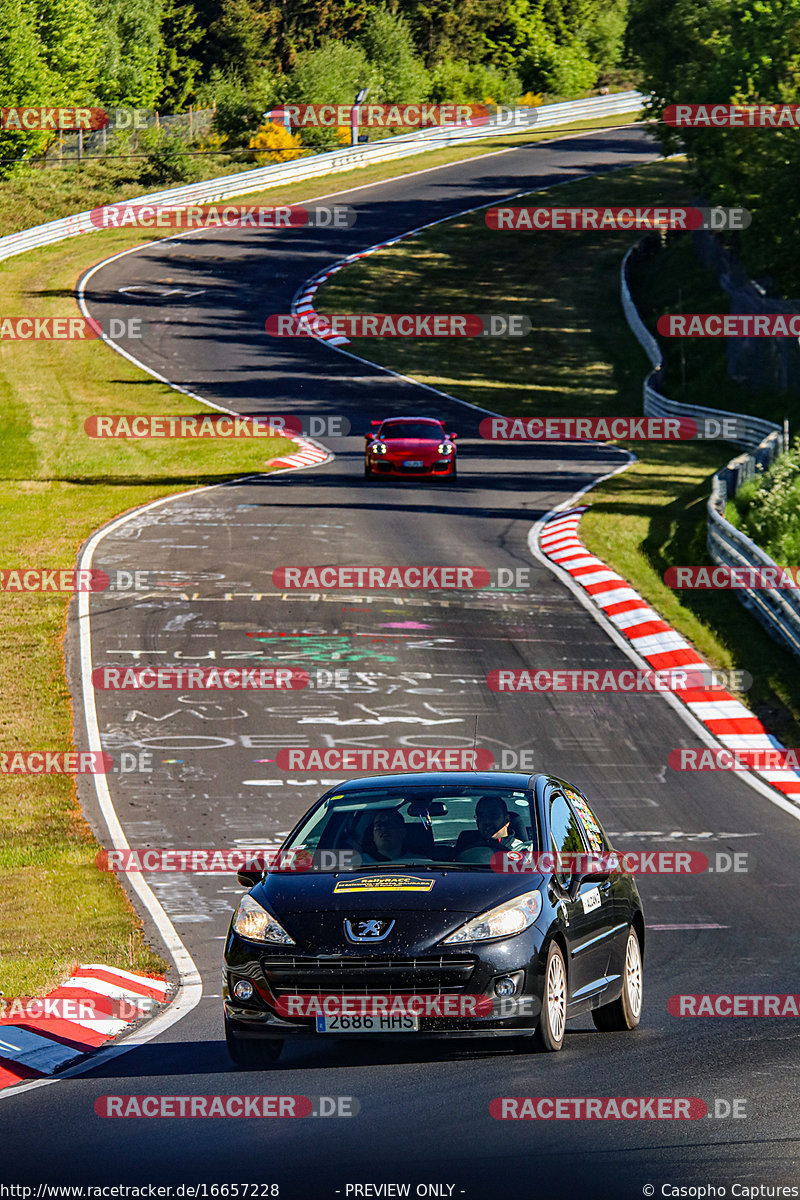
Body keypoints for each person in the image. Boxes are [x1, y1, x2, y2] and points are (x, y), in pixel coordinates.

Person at [454, 795, 528, 861]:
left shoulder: (521, 850)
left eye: (493, 816)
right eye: (481, 816)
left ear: (507, 820)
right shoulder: (466, 847)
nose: (486, 821)